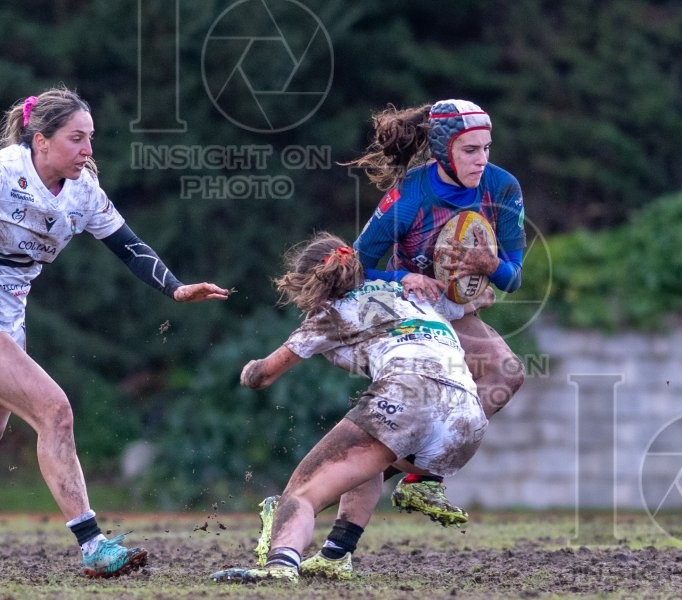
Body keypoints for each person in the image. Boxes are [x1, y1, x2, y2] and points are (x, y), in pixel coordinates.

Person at [252, 99, 528, 579]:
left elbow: (514, 278)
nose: (481, 160)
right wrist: (403, 277)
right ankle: (338, 541)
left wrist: (491, 267)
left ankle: (419, 477)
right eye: (470, 150)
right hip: (404, 311)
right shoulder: (410, 195)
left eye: (487, 148)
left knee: (507, 373)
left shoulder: (503, 187)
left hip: (450, 314)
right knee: (380, 445)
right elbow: (357, 267)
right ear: (443, 149)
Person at [0, 88, 230, 578]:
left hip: (11, 314)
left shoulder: (82, 191)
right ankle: (93, 546)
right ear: (41, 140)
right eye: (76, 138)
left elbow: (129, 247)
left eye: (91, 138)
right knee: (55, 411)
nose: (88, 150)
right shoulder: (4, 172)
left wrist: (176, 289)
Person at [211, 232, 491, 584]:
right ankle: (335, 554)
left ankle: (280, 566)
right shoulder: (411, 292)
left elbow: (263, 376)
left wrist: (247, 369)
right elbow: (482, 298)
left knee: (300, 494)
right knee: (365, 464)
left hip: (408, 395)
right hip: (467, 420)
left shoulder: (331, 313)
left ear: (311, 282)